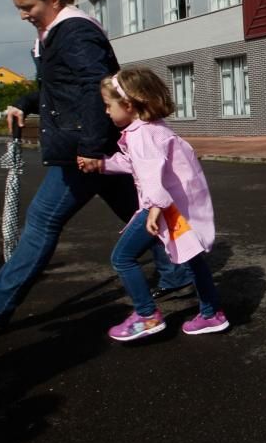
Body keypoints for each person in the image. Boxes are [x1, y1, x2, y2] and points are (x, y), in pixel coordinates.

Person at [0, 0, 188, 331]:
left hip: (83, 149)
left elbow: (95, 88)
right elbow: (58, 89)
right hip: (92, 144)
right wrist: (24, 102)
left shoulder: (75, 32)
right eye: (18, 8)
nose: (22, 14)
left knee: (42, 223)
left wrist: (89, 147)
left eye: (27, 6)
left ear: (53, 0)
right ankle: (179, 274)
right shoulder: (54, 34)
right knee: (140, 212)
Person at [80, 68, 227, 340]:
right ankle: (211, 314)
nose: (106, 112)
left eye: (108, 105)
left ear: (128, 105)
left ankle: (147, 316)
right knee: (194, 258)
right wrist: (103, 164)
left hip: (159, 206)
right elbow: (140, 164)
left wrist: (154, 210)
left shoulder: (140, 135)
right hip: (179, 206)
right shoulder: (155, 129)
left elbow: (151, 175)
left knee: (122, 258)